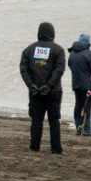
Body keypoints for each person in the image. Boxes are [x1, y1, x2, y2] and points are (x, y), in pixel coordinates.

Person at [19, 22, 66, 154]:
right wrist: (49, 85)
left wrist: (31, 85)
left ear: (39, 33)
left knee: (36, 120)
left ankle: (34, 146)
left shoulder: (29, 50)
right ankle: (56, 148)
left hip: (35, 91)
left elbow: (24, 69)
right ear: (52, 33)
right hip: (53, 91)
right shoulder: (58, 50)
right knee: (54, 120)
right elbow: (59, 69)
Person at [68, 33, 91, 136]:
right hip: (90, 86)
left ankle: (79, 128)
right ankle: (87, 130)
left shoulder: (72, 54)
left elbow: (71, 66)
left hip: (76, 85)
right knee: (87, 107)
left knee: (78, 105)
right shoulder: (90, 54)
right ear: (88, 42)